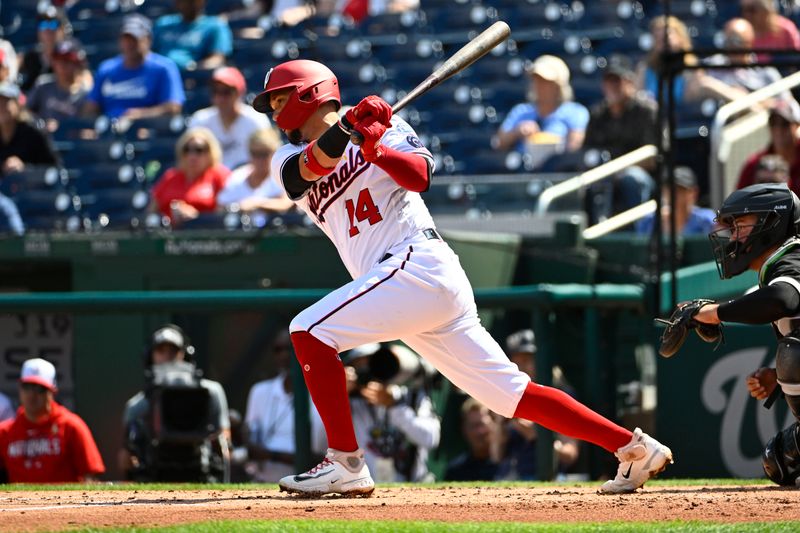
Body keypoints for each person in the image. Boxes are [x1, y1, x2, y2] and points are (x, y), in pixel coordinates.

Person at [251, 58, 673, 497]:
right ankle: (633, 447)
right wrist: (351, 132)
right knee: (509, 395)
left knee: (308, 330)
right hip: (403, 283)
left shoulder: (384, 126)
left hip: (417, 263)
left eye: (280, 100)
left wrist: (378, 148)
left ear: (309, 93)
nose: (275, 113)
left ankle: (345, 462)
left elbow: (419, 177)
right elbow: (308, 172)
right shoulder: (288, 156)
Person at [675, 182, 800, 486]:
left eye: (740, 226)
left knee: (794, 354)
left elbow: (782, 299)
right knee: (781, 460)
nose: (733, 237)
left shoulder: (792, 256)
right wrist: (780, 379)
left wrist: (714, 313)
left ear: (772, 223)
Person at [119, 324, 231, 482]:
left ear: (185, 355)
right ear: (150, 356)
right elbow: (125, 459)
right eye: (161, 351)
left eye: (173, 351)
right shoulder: (138, 405)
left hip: (200, 468)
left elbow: (224, 440)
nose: (167, 357)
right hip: (156, 472)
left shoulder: (210, 392)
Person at [338, 342, 440, 482]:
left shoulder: (409, 395)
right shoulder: (350, 403)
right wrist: (338, 395)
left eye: (373, 365)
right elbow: (317, 442)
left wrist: (394, 406)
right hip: (370, 488)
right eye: (359, 368)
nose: (368, 374)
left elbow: (430, 439)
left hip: (415, 486)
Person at [0, 358, 105, 483]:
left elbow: (90, 476)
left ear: (52, 391)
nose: (32, 394)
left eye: (40, 389)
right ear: (20, 389)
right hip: (19, 502)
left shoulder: (71, 426)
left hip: (63, 502)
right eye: (27, 387)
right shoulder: (5, 432)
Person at [583, 54, 658, 225]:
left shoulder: (646, 111)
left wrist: (618, 169)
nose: (612, 86)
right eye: (608, 81)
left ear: (630, 83)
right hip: (604, 174)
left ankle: (639, 233)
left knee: (631, 178)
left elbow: (654, 157)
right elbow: (586, 152)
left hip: (642, 175)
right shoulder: (598, 114)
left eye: (617, 81)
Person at [497, 329, 579, 480]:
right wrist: (500, 430)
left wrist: (539, 436)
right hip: (510, 476)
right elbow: (495, 456)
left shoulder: (561, 394)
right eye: (515, 362)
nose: (521, 367)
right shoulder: (506, 395)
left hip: (550, 477)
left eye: (527, 360)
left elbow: (570, 454)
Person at [244, 330, 323, 482]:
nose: (283, 355)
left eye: (289, 349)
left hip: (309, 482)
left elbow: (323, 458)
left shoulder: (324, 392)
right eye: (278, 349)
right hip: (263, 481)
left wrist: (272, 455)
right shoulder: (259, 390)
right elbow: (250, 436)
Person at [83, 14, 185, 120]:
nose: (130, 44)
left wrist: (141, 116)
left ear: (148, 39)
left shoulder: (164, 67)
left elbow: (173, 108)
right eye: (126, 38)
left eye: (135, 39)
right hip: (109, 132)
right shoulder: (106, 69)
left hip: (147, 130)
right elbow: (91, 107)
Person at [494, 55, 588, 168]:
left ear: (558, 86)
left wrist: (547, 141)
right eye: (536, 80)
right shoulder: (521, 111)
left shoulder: (575, 112)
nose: (538, 85)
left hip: (557, 173)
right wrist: (517, 132)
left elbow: (574, 147)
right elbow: (498, 143)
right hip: (522, 173)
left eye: (545, 81)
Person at [187, 66, 271, 170]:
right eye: (215, 91)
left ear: (240, 93)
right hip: (211, 181)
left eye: (226, 92)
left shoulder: (256, 120)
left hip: (246, 181)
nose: (220, 98)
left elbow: (268, 156)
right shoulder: (200, 119)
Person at [695, 18, 792, 105]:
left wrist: (751, 101)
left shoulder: (765, 73)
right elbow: (693, 85)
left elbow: (788, 106)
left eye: (736, 41)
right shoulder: (712, 65)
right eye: (726, 41)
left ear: (749, 43)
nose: (730, 46)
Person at [149, 126, 230, 225]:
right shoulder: (170, 176)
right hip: (168, 234)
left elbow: (224, 215)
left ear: (210, 153)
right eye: (187, 149)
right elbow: (151, 211)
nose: (192, 156)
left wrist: (196, 217)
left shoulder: (220, 175)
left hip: (205, 235)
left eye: (199, 150)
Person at [216, 128, 294, 219]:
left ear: (274, 153)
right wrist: (238, 207)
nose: (260, 160)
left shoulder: (282, 175)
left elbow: (286, 204)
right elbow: (220, 205)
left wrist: (256, 204)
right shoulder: (238, 176)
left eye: (264, 154)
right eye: (255, 154)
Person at [737, 100, 800, 195]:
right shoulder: (754, 164)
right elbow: (739, 203)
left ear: (797, 125)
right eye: (773, 123)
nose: (778, 130)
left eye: (785, 124)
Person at [27, 39, 92, 127]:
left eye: (67, 60)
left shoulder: (86, 94)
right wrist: (41, 124)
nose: (62, 65)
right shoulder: (43, 85)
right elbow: (26, 112)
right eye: (58, 60)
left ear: (77, 63)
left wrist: (61, 126)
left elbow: (87, 125)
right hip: (45, 138)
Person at [153, 0, 233, 71]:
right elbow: (149, 53)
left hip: (193, 79)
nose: (186, 4)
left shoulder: (215, 25)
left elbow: (217, 59)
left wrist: (193, 67)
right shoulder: (163, 23)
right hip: (159, 73)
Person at [636, 15, 701, 104]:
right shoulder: (644, 68)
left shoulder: (692, 68)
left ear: (680, 37)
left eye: (665, 37)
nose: (662, 42)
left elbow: (693, 100)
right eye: (657, 38)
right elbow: (637, 97)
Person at [635, 166, 716, 236]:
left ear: (694, 193)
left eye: (680, 191)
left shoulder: (707, 220)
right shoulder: (648, 222)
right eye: (669, 190)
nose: (673, 195)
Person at [0, 82, 60, 175]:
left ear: (17, 105)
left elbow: (53, 168)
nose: (1, 107)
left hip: (30, 187)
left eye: (5, 102)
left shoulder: (34, 133)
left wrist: (25, 169)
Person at [444, 399, 504, 481]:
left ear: (494, 424)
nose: (478, 432)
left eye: (482, 424)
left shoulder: (511, 464)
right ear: (464, 429)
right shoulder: (456, 471)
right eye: (473, 426)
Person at [17, 9, 69, 92]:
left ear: (62, 30)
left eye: (53, 25)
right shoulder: (31, 56)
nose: (48, 30)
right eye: (43, 25)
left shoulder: (70, 57)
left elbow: (84, 79)